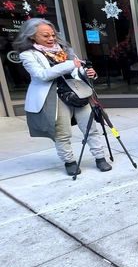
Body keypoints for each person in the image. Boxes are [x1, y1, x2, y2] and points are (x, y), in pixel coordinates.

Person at [15, 18, 112, 176]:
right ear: (32, 36)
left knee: (90, 128)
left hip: (78, 93)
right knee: (62, 133)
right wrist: (71, 64)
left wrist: (88, 73)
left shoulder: (64, 50)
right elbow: (42, 75)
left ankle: (100, 158)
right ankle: (70, 162)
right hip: (55, 97)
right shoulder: (28, 55)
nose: (51, 38)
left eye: (52, 35)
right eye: (45, 36)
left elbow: (76, 72)